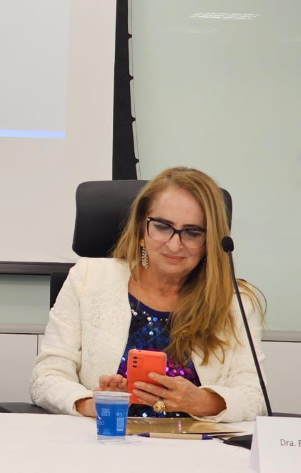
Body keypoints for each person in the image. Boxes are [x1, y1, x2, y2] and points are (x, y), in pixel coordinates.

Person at [30, 167, 266, 422]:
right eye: (163, 227)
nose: (174, 245)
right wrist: (94, 404)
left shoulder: (235, 301)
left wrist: (203, 401)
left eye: (192, 232)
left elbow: (255, 397)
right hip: (108, 439)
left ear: (210, 241)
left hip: (197, 443)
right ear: (142, 227)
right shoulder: (88, 278)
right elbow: (47, 377)